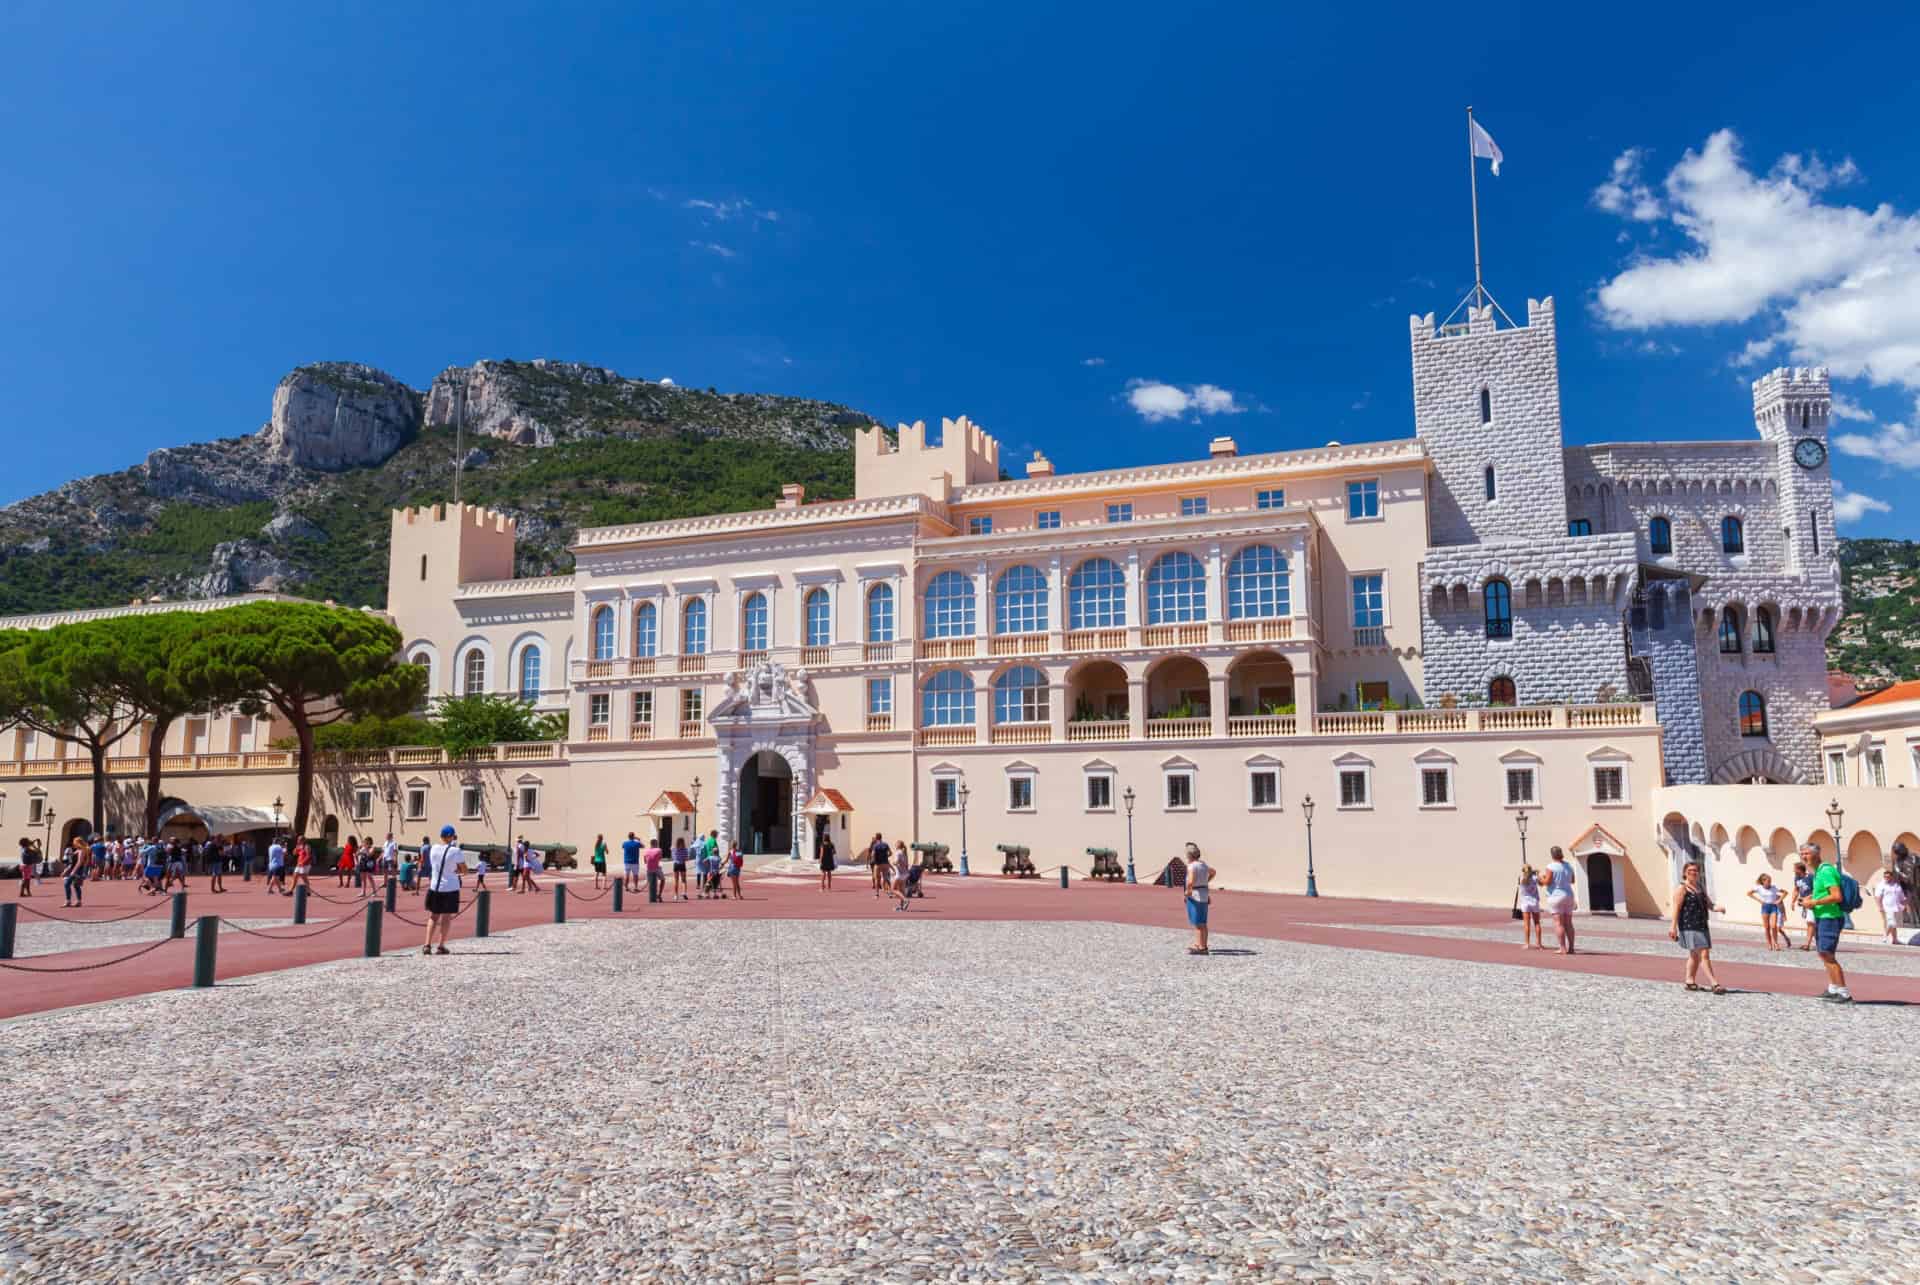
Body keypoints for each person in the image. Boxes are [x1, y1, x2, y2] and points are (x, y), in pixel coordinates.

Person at [1801, 843, 1854, 1002]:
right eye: (1802, 854)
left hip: (1830, 917)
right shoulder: (1818, 872)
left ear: (1817, 854)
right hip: (1822, 916)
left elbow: (1837, 896)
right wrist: (1811, 898)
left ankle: (1844, 993)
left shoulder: (1826, 871)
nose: (1804, 857)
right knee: (1823, 953)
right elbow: (1825, 893)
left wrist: (1814, 903)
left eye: (1807, 854)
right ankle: (1833, 988)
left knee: (1827, 954)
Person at [1668, 860, 1726, 992]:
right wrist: (1673, 927)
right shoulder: (1681, 889)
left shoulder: (1700, 887)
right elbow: (1676, 909)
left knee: (1694, 955)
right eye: (1690, 871)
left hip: (1702, 924)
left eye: (1695, 871)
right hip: (1689, 925)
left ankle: (1689, 981)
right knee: (1703, 953)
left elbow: (1709, 904)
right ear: (1684, 873)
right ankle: (1714, 983)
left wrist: (1718, 908)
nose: (1693, 873)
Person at [422, 825, 471, 956]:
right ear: (451, 836)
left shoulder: (433, 849)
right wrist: (457, 870)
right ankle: (441, 945)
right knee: (446, 916)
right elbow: (465, 870)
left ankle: (427, 945)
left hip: (435, 886)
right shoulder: (456, 851)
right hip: (450, 887)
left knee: (433, 916)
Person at [1542, 845, 1577, 955]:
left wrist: (1540, 878)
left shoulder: (1551, 866)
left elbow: (1547, 882)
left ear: (1552, 855)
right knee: (1569, 923)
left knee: (1559, 923)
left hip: (1556, 895)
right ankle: (1571, 948)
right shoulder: (1568, 866)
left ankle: (1562, 948)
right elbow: (1572, 880)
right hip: (1569, 895)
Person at [1185, 843, 1213, 955]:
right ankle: (1201, 944)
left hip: (1195, 895)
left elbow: (1191, 880)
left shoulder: (1191, 866)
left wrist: (1188, 890)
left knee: (1197, 923)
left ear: (1189, 855)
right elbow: (1213, 872)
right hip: (1204, 893)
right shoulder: (1203, 865)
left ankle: (1201, 947)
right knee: (1203, 922)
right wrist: (1206, 882)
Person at [1869, 865, 1908, 944]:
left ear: (1892, 877)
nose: (1886, 878)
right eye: (1885, 877)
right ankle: (1885, 936)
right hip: (1887, 907)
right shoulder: (1881, 885)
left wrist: (1905, 905)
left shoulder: (1896, 886)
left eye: (1888, 876)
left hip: (1897, 907)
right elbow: (1877, 897)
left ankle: (1895, 940)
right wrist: (1880, 907)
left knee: (1894, 925)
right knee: (1891, 923)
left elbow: (1902, 897)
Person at [1748, 874, 1786, 951]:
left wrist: (1778, 900)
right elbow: (1749, 893)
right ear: (1763, 881)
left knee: (1773, 926)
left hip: (1773, 907)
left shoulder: (1774, 887)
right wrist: (1759, 901)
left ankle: (1776, 943)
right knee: (1767, 927)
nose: (1770, 882)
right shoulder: (1759, 888)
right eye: (1768, 881)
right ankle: (1769, 944)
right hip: (1765, 907)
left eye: (1770, 880)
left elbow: (1785, 892)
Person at [1790, 859, 1816, 951]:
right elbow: (1796, 890)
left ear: (1800, 869)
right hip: (1805, 905)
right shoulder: (1797, 878)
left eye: (1794, 869)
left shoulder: (1810, 877)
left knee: (1810, 923)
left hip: (1812, 904)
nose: (1793, 871)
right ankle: (1819, 944)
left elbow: (1817, 891)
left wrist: (1807, 898)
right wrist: (1792, 901)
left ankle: (1807, 945)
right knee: (1811, 924)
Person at [1516, 864, 1542, 949]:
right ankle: (1539, 943)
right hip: (1534, 901)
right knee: (1537, 923)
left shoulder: (1521, 878)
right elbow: (1541, 883)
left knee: (1526, 924)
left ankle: (1527, 943)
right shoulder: (1534, 878)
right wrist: (1537, 874)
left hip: (1525, 903)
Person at [61, 836, 91, 907]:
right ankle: (78, 901)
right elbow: (72, 863)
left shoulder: (81, 851)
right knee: (75, 885)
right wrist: (66, 870)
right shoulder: (77, 850)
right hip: (73, 869)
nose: (73, 844)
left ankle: (69, 901)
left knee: (68, 884)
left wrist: (73, 871)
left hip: (77, 870)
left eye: (75, 842)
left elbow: (79, 862)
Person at [868, 833, 891, 897]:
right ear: (881, 837)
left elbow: (873, 854)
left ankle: (877, 893)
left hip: (878, 864)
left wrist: (874, 859)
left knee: (877, 879)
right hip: (885, 863)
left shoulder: (875, 845)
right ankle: (889, 892)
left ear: (876, 838)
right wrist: (886, 856)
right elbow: (890, 853)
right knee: (886, 878)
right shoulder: (886, 844)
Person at [643, 836, 664, 903]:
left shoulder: (646, 851)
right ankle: (659, 894)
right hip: (656, 868)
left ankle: (652, 895)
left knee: (650, 883)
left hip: (649, 869)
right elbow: (660, 858)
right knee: (663, 880)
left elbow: (645, 861)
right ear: (656, 844)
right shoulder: (659, 850)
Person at [671, 835, 690, 901]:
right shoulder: (685, 849)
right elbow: (687, 858)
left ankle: (676, 895)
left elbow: (672, 856)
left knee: (676, 881)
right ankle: (684, 892)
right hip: (682, 864)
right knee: (684, 880)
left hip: (676, 864)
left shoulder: (674, 849)